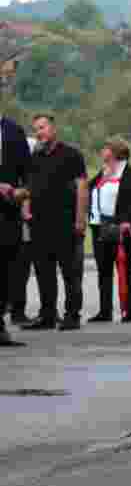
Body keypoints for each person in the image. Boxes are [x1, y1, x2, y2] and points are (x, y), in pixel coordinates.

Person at [22, 114, 88, 331]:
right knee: (44, 272)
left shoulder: (71, 154)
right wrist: (26, 210)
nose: (39, 132)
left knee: (70, 272)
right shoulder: (35, 157)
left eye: (42, 127)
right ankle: (48, 315)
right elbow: (29, 187)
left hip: (66, 223)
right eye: (36, 129)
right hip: (40, 224)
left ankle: (72, 315)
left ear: (53, 128)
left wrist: (80, 219)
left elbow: (81, 187)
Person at [86, 138, 131, 324]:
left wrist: (127, 221)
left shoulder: (130, 173)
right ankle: (105, 310)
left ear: (115, 151)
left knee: (125, 269)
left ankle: (129, 310)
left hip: (120, 227)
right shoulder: (104, 171)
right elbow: (89, 188)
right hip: (99, 226)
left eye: (105, 148)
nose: (102, 151)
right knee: (103, 270)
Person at [0, 114, 31, 346]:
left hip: (8, 213)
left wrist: (24, 191)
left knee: (7, 269)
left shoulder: (13, 131)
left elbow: (28, 173)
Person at [6, 133, 36, 326]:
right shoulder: (19, 174)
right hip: (21, 227)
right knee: (19, 269)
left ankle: (17, 308)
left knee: (22, 270)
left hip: (29, 226)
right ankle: (16, 309)